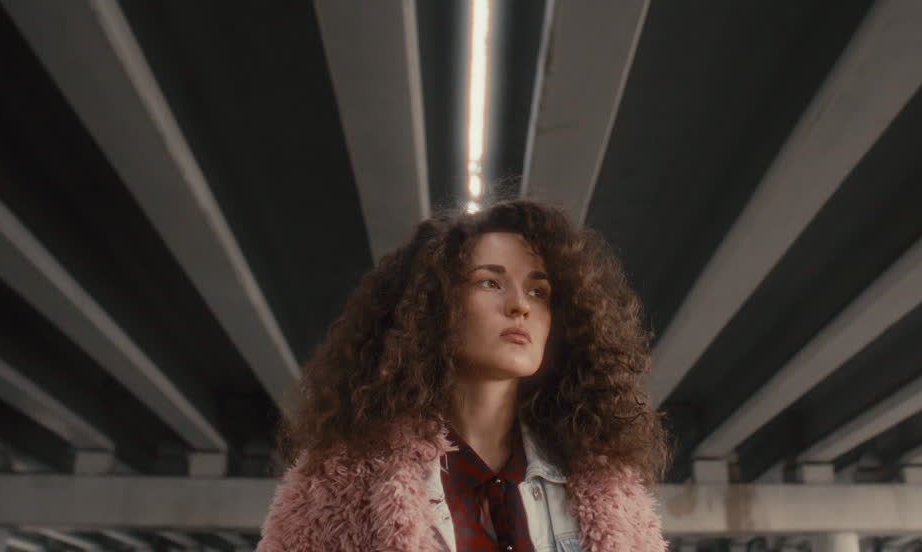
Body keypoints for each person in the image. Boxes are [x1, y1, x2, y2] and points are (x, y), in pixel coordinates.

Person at [257, 199, 669, 552]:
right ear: (435, 307)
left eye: (538, 291)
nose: (519, 306)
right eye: (490, 282)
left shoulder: (608, 491)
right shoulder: (341, 480)